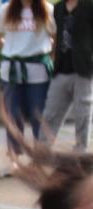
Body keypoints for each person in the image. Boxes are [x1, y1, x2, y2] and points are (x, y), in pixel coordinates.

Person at [0, 0, 56, 157]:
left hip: (38, 72)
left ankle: (40, 157)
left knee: (39, 116)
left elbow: (55, 37)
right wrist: (11, 49)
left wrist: (49, 56)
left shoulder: (47, 9)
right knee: (13, 115)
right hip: (11, 72)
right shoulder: (6, 10)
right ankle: (14, 156)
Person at [42, 0, 93, 151]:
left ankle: (80, 151)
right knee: (50, 112)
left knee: (82, 113)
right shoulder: (58, 8)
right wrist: (52, 57)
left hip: (83, 69)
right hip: (61, 69)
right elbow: (55, 36)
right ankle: (42, 151)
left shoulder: (89, 6)